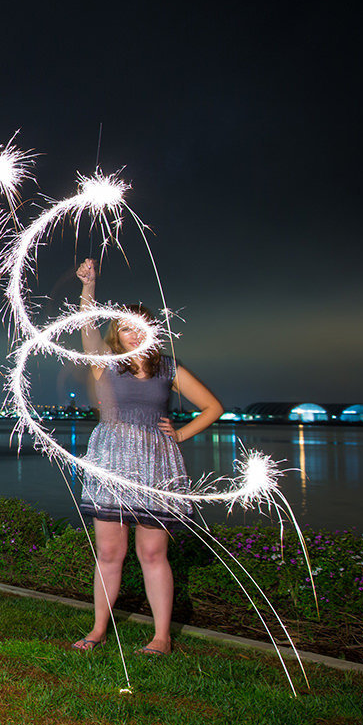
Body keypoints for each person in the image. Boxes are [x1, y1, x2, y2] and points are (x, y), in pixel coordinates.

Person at [71, 259, 222, 656]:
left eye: (139, 325)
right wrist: (89, 287)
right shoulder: (106, 364)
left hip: (155, 465)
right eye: (124, 325)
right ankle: (98, 629)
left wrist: (181, 433)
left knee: (153, 552)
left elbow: (212, 407)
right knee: (108, 552)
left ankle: (161, 638)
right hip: (113, 461)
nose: (132, 332)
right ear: (116, 332)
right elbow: (87, 327)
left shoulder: (169, 368)